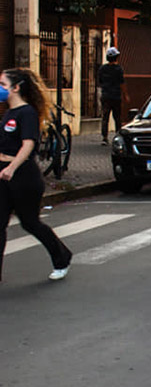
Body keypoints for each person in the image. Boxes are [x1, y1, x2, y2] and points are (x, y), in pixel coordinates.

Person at [0, 68, 72, 282]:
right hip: (3, 175)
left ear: (16, 88)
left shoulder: (27, 113)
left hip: (23, 177)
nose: (0, 88)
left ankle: (62, 258)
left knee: (30, 222)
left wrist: (12, 167)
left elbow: (28, 144)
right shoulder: (7, 114)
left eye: (3, 85)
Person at [98, 47, 128, 145]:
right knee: (117, 117)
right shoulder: (119, 69)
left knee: (105, 117)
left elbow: (100, 81)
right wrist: (125, 95)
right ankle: (118, 136)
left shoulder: (102, 68)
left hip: (106, 95)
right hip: (116, 96)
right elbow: (122, 83)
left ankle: (104, 137)